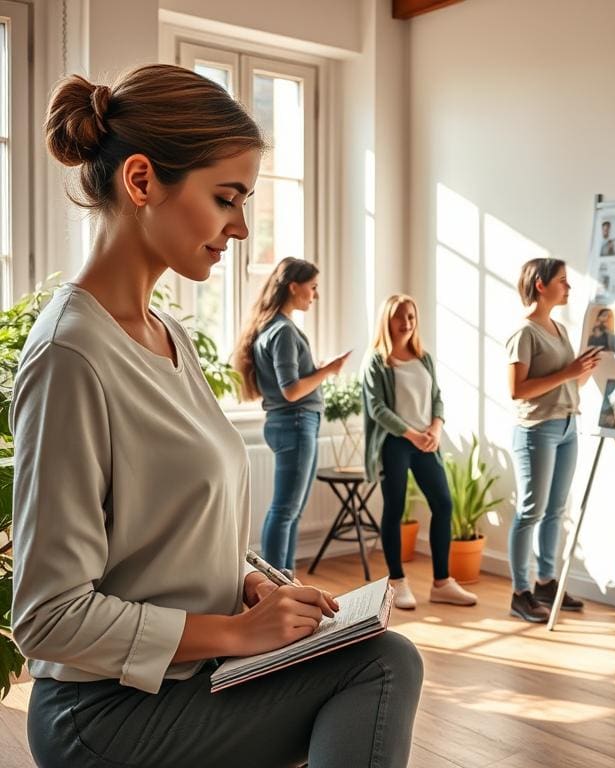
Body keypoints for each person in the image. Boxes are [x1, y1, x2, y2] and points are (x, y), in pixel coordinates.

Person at [12, 65, 422, 768]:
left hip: (183, 681)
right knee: (383, 665)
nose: (238, 227)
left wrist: (254, 582)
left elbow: (172, 534)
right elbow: (48, 617)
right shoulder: (70, 355)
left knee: (380, 656)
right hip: (102, 713)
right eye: (225, 198)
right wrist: (236, 634)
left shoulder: (168, 331)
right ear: (141, 181)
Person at [233, 257, 350, 575]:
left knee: (290, 509)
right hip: (295, 421)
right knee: (286, 510)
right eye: (312, 287)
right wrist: (328, 370)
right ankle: (277, 581)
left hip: (293, 423)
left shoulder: (274, 328)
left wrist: (316, 370)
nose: (316, 294)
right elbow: (292, 391)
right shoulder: (282, 331)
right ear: (294, 286)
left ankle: (285, 578)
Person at [361, 294, 477, 610]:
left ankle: (442, 582)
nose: (407, 323)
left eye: (411, 316)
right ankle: (397, 582)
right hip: (395, 442)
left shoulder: (423, 358)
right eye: (400, 316)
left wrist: (435, 429)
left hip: (426, 441)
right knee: (394, 508)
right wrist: (411, 434)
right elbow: (377, 408)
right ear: (388, 320)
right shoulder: (376, 361)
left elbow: (437, 397)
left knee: (443, 504)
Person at [505, 258, 600, 622]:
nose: (569, 287)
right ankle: (520, 592)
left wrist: (582, 372)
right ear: (541, 285)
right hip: (536, 430)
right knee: (530, 511)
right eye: (562, 280)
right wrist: (569, 371)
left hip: (566, 427)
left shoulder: (558, 329)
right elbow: (517, 390)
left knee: (556, 510)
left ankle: (545, 581)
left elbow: (566, 382)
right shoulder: (525, 333)